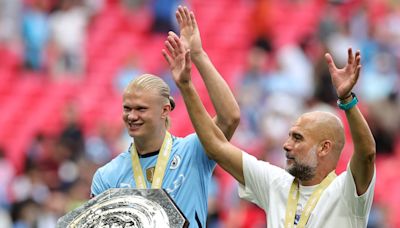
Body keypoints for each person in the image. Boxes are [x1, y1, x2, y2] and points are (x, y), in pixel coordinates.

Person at [164, 22, 376, 227]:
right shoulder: (276, 183)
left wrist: (347, 100)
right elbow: (216, 146)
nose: (286, 144)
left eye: (297, 138)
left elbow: (366, 153)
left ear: (324, 147)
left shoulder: (346, 193)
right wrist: (190, 77)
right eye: (290, 135)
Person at [90, 6, 240, 228]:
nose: (131, 116)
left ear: (165, 110)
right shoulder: (106, 176)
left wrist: (197, 56)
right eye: (127, 108)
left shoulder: (193, 152)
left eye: (141, 109)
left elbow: (230, 118)